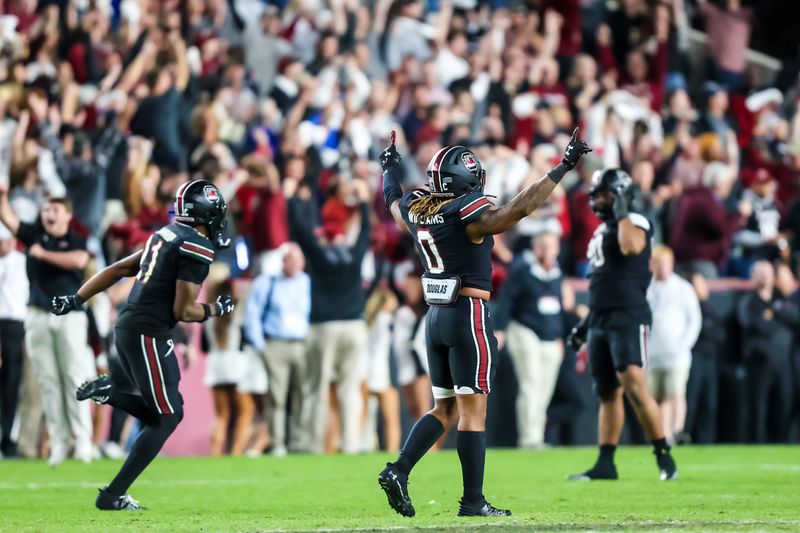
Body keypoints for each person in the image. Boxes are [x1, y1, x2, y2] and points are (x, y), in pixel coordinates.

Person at [377, 129, 591, 517]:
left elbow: (393, 201)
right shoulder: (467, 214)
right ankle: (473, 501)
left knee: (445, 408)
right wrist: (562, 167)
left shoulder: (416, 207)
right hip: (468, 314)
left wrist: (388, 167)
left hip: (435, 317)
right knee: (473, 413)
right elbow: (516, 212)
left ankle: (399, 469)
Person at [49, 180, 234, 510]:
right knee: (167, 417)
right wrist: (217, 308)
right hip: (149, 332)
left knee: (167, 413)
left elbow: (118, 268)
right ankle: (112, 494)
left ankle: (110, 394)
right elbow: (183, 310)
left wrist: (77, 298)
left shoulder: (164, 235)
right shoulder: (197, 247)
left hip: (133, 326)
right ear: (208, 214)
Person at [566, 168, 678, 481]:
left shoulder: (636, 221)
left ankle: (664, 455)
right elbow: (602, 284)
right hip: (602, 316)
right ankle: (606, 463)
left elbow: (631, 247)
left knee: (634, 384)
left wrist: (623, 212)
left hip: (628, 314)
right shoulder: (602, 231)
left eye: (605, 194)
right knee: (607, 392)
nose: (598, 200)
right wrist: (586, 324)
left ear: (621, 194)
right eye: (596, 194)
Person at [0, 187, 94, 466]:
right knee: (48, 381)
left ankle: (83, 440)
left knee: (74, 377)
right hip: (38, 314)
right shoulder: (34, 235)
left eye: (54, 210)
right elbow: (8, 219)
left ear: (66, 215)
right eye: (45, 210)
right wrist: (3, 196)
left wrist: (42, 255)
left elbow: (79, 260)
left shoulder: (76, 238)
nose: (48, 215)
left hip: (70, 316)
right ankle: (59, 441)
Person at [286, 180, 371, 455]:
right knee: (349, 389)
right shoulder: (354, 256)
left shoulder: (319, 257)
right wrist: (365, 202)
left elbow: (300, 232)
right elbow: (366, 232)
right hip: (354, 326)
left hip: (323, 327)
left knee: (316, 389)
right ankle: (351, 444)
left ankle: (314, 445)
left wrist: (293, 201)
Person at [494, 230, 574, 449]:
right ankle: (528, 437)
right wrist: (500, 329)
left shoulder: (557, 274)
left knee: (545, 388)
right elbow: (506, 300)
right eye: (544, 246)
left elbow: (558, 308)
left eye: (552, 246)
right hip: (525, 330)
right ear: (535, 248)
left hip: (551, 336)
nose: (548, 250)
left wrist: (560, 336)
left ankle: (537, 434)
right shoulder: (522, 269)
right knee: (531, 383)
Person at [243, 242, 311, 457]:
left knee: (301, 394)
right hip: (275, 343)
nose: (299, 264)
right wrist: (260, 345)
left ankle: (299, 441)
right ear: (284, 261)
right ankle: (278, 443)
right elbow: (252, 313)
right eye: (294, 260)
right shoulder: (267, 282)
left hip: (300, 343)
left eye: (301, 261)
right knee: (277, 396)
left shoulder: (305, 281)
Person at [736, 260, 798, 443]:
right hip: (759, 362)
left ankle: (780, 442)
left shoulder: (780, 300)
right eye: (760, 273)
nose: (764, 276)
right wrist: (777, 319)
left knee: (784, 404)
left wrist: (774, 313)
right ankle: (758, 443)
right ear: (753, 276)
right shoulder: (748, 301)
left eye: (767, 272)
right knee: (758, 407)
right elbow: (755, 324)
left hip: (783, 362)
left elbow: (795, 318)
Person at [646, 246, 701, 444]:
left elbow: (694, 319)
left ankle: (671, 432)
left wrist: (684, 344)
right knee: (653, 397)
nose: (660, 267)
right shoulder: (646, 288)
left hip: (676, 354)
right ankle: (661, 433)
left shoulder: (683, 288)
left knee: (673, 393)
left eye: (664, 263)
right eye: (657, 263)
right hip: (653, 355)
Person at [203, 277, 245, 456]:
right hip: (235, 364)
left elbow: (204, 346)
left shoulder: (209, 318)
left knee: (221, 415)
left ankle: (215, 453)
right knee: (244, 413)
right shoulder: (237, 313)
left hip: (215, 365)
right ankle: (235, 453)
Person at [0, 222, 29, 458]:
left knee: (12, 385)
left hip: (17, 325)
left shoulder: (22, 260)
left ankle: (8, 438)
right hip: (3, 323)